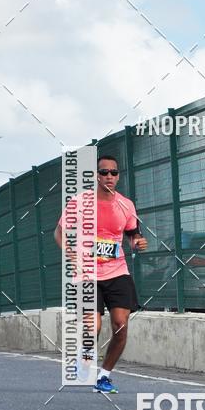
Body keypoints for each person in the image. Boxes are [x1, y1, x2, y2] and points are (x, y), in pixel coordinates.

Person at [54, 154, 147, 393]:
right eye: (104, 172)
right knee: (92, 326)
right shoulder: (80, 202)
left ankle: (104, 376)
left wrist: (137, 242)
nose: (109, 177)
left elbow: (132, 234)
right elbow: (59, 232)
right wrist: (71, 253)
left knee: (120, 326)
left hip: (117, 271)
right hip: (87, 273)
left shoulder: (126, 205)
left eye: (113, 173)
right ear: (96, 175)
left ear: (118, 176)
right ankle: (85, 358)